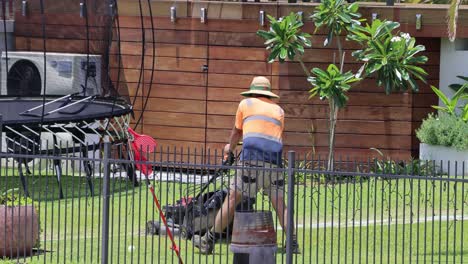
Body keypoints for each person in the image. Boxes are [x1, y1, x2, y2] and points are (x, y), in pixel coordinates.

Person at [192, 76, 298, 254]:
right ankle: (292, 243)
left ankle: (208, 241)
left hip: (251, 161)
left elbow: (237, 132)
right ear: (267, 93)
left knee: (232, 199)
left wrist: (230, 149)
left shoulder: (246, 104)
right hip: (274, 162)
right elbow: (268, 135)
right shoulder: (279, 110)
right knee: (280, 204)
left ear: (252, 91)